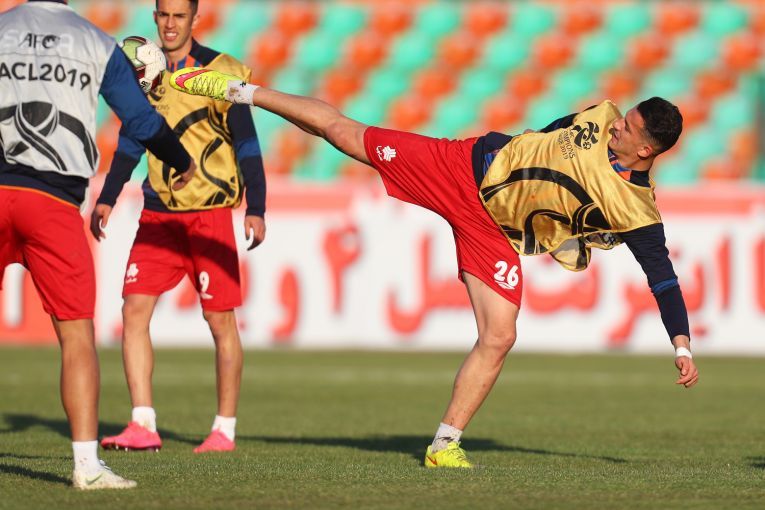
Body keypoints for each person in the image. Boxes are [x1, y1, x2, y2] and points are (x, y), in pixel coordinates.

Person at [168, 67, 699, 468]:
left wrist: (681, 345)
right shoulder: (601, 116)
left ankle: (444, 443)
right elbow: (551, 134)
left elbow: (662, 278)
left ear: (645, 148)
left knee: (500, 336)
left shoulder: (638, 212)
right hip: (461, 169)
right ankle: (239, 90)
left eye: (627, 128)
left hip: (493, 231)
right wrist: (516, 156)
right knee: (344, 133)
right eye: (622, 117)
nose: (615, 126)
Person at [0, 0, 195, 489]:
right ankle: (86, 467)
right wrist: (179, 159)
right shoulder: (94, 41)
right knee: (76, 335)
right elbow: (140, 120)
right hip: (52, 201)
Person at [92, 0, 266, 454]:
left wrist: (257, 204)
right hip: (157, 216)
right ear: (155, 18)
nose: (170, 24)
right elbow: (131, 140)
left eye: (179, 16)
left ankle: (224, 429)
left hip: (209, 215)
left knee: (219, 320)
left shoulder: (221, 72)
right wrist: (108, 196)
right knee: (133, 310)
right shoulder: (145, 75)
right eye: (163, 15)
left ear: (194, 19)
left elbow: (247, 142)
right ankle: (142, 423)